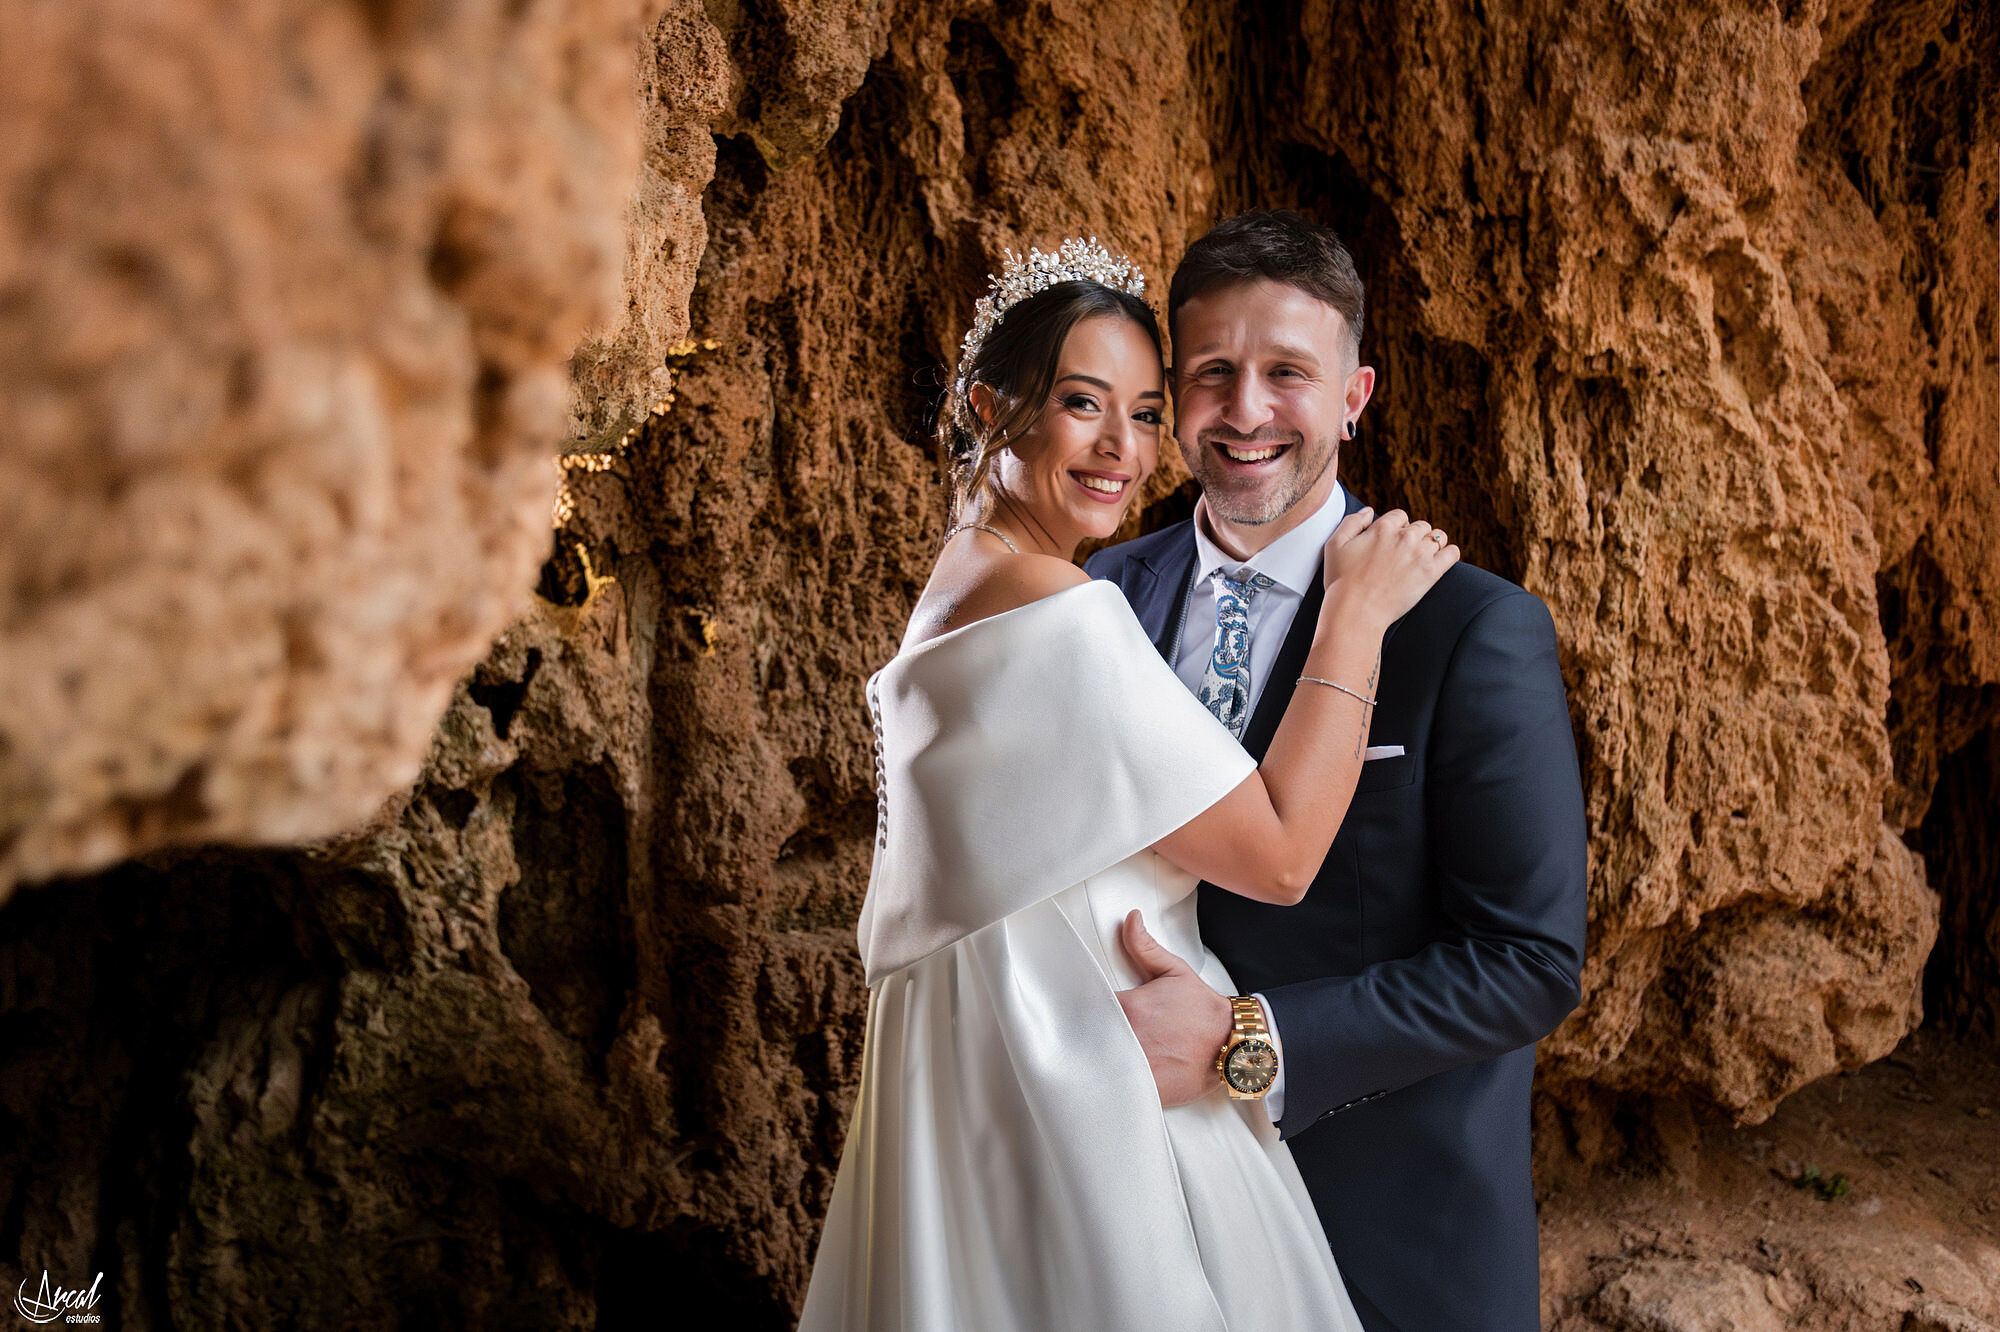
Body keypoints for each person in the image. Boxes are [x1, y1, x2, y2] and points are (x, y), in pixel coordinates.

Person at [797, 237, 1457, 1330]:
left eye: (1146, 413)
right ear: (984, 406)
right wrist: (1354, 614)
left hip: (993, 1086)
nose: (1121, 448)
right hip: (1092, 1101)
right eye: (1080, 403)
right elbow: (1282, 855)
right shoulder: (1057, 609)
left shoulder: (964, 585)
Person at [1084, 210, 1590, 1331]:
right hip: (1128, 1213)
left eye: (1287, 373)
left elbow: (1526, 960)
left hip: (1378, 1230)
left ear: (1354, 397)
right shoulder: (1098, 597)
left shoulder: (1469, 628)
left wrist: (1243, 1041)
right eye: (1212, 372)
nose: (1246, 409)